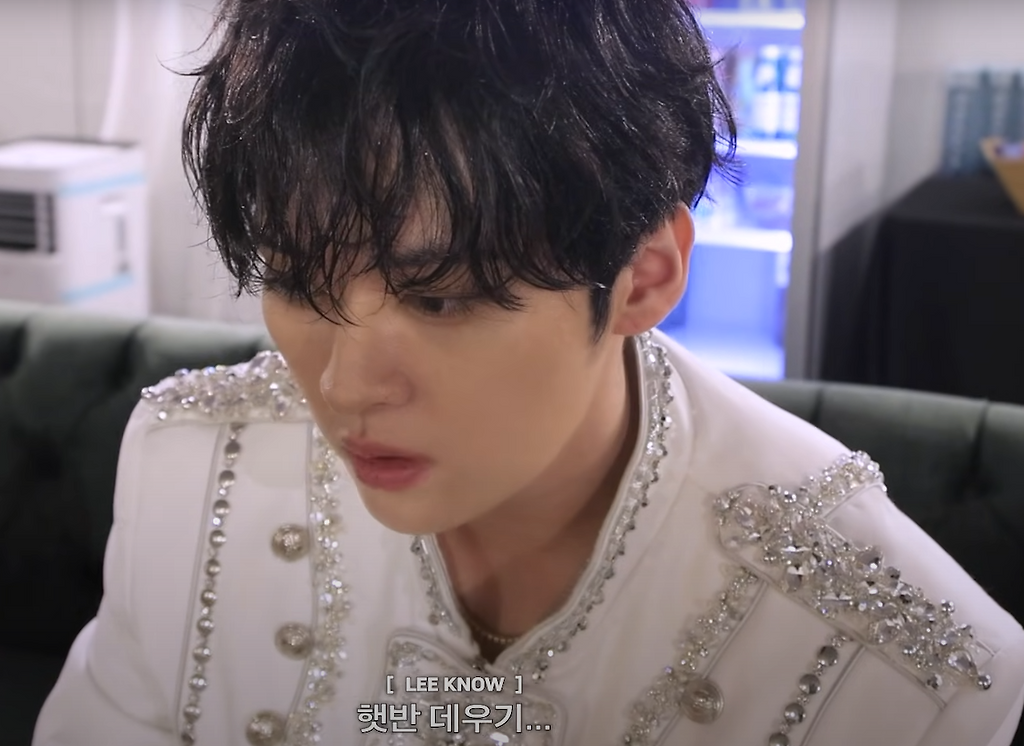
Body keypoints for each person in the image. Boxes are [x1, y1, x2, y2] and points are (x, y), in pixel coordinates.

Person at [33, 0, 1024, 744]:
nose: (344, 387)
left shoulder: (913, 678)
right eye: (296, 281)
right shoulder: (190, 469)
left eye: (440, 300)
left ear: (643, 277)